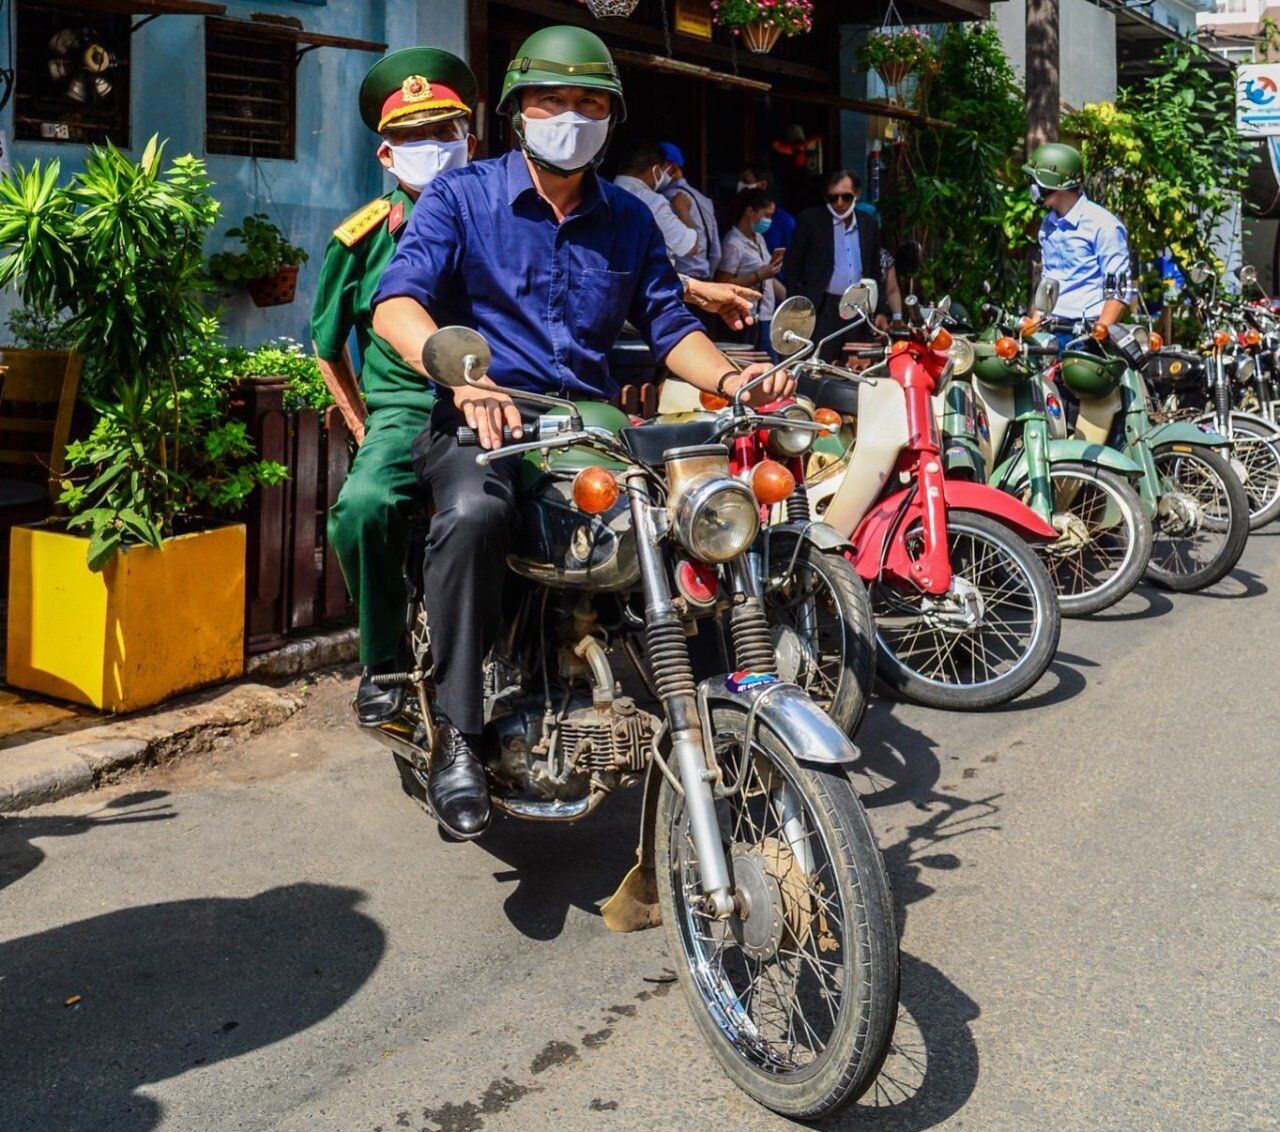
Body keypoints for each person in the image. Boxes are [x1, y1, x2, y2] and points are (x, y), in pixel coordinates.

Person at [370, 25, 794, 838]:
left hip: (589, 427)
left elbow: (671, 329)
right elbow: (398, 305)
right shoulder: (464, 198)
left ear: (611, 117)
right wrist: (461, 371)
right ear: (517, 112)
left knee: (689, 517)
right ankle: (458, 735)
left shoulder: (629, 221)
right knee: (474, 517)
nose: (571, 115)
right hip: (484, 416)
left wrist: (738, 379)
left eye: (589, 102)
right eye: (551, 100)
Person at [312, 47, 478, 726]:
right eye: (413, 137)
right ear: (387, 156)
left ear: (469, 139)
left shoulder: (497, 216)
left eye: (445, 132)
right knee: (364, 507)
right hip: (409, 410)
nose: (432, 148)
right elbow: (326, 348)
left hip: (502, 398)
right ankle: (382, 662)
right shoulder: (360, 240)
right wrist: (361, 424)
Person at [1023, 141, 1130, 339]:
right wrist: (1033, 329)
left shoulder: (1104, 225)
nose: (1032, 187)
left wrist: (1096, 339)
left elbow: (1118, 291)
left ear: (1052, 182)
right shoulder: (1048, 224)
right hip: (1051, 328)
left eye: (1035, 181)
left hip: (1086, 329)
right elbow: (1049, 279)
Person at [784, 169, 884, 360]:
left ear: (857, 195)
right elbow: (793, 267)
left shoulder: (868, 223)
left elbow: (874, 269)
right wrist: (797, 307)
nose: (839, 203)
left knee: (855, 362)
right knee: (818, 361)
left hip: (858, 305)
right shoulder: (810, 221)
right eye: (833, 197)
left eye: (846, 197)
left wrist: (880, 309)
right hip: (822, 306)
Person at [715, 188, 785, 353]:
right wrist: (758, 276)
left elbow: (766, 276)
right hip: (747, 317)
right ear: (750, 212)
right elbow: (723, 283)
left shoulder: (758, 238)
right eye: (766, 215)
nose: (769, 221)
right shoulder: (733, 243)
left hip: (766, 315)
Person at [612, 139, 698, 263]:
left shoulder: (603, 193)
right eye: (663, 170)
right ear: (655, 169)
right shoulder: (652, 202)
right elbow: (691, 247)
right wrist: (683, 211)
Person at [659, 141, 719, 283]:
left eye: (657, 166)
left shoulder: (667, 198)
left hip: (683, 281)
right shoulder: (704, 200)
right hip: (705, 277)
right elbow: (716, 253)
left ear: (672, 169)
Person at [737, 163, 795, 262]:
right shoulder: (736, 214)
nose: (741, 186)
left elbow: (792, 259)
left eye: (746, 182)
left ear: (762, 184)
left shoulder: (785, 222)